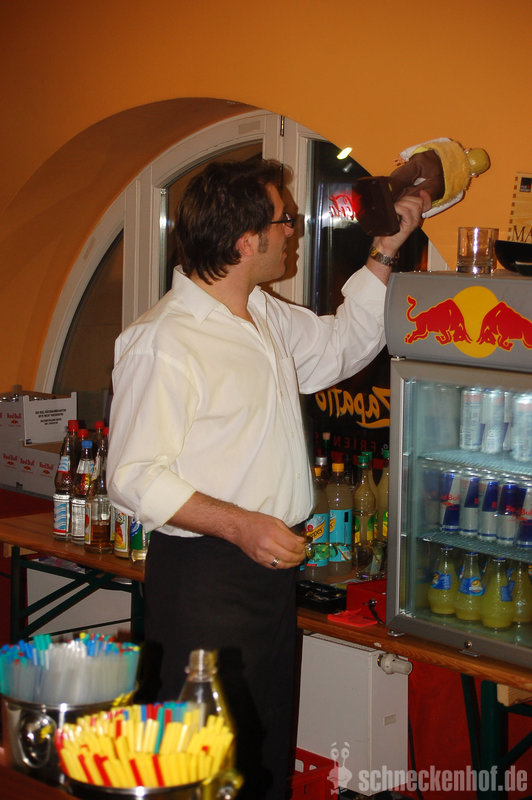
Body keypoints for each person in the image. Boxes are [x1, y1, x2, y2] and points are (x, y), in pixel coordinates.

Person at [107, 158, 428, 799]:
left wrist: (385, 252)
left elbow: (341, 346)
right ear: (245, 240)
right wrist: (239, 525)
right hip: (205, 579)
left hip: (269, 572)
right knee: (205, 769)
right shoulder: (163, 340)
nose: (294, 232)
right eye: (285, 220)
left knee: (261, 752)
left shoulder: (264, 314)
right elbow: (133, 476)